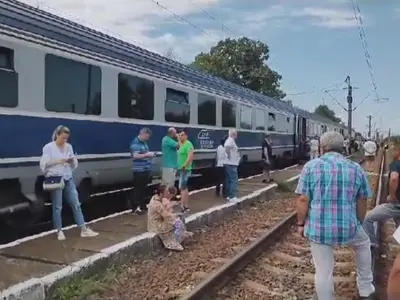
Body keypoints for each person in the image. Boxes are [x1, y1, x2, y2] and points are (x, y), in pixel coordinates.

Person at [295, 131, 375, 300]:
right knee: (363, 244)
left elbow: (303, 199)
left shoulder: (311, 167)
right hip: (348, 226)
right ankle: (366, 287)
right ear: (343, 148)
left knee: (323, 271)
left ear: (322, 148)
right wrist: (358, 222)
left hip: (319, 229)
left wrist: (301, 224)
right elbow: (362, 199)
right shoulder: (356, 168)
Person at [40, 125, 99, 241]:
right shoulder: (48, 147)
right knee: (57, 206)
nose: (64, 141)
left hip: (68, 177)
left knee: (76, 203)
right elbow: (43, 164)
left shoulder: (69, 147)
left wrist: (72, 161)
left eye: (66, 138)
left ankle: (83, 229)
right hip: (56, 178)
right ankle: (59, 231)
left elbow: (74, 164)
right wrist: (58, 161)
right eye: (62, 138)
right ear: (57, 135)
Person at [363, 141, 400, 248]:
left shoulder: (397, 163)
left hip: (395, 205)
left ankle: (372, 244)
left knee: (367, 219)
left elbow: (394, 178)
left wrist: (392, 196)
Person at [147, 185, 184, 251]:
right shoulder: (157, 204)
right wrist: (176, 215)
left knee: (177, 220)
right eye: (166, 192)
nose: (168, 192)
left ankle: (177, 238)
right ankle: (172, 242)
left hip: (156, 222)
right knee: (177, 222)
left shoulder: (156, 198)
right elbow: (166, 215)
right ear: (161, 194)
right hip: (156, 225)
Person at [130, 128, 155, 215]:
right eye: (146, 137)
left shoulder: (144, 143)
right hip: (139, 170)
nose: (147, 139)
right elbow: (135, 156)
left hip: (145, 169)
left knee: (143, 189)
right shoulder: (135, 143)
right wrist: (147, 155)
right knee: (137, 189)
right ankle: (134, 208)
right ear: (142, 134)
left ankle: (142, 206)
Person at [177, 129, 194, 212]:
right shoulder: (182, 144)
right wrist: (177, 136)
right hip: (181, 169)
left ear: (186, 136)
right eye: (180, 135)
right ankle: (185, 205)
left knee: (182, 188)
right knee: (183, 187)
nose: (180, 136)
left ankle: (183, 206)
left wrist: (184, 165)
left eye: (182, 135)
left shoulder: (188, 144)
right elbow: (178, 139)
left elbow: (190, 156)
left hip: (185, 169)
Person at [224, 129, 240, 201]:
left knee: (229, 180)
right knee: (234, 180)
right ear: (233, 134)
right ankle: (232, 196)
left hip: (229, 163)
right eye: (236, 134)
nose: (237, 135)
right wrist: (229, 155)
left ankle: (229, 195)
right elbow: (227, 147)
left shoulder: (229, 140)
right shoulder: (230, 140)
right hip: (231, 163)